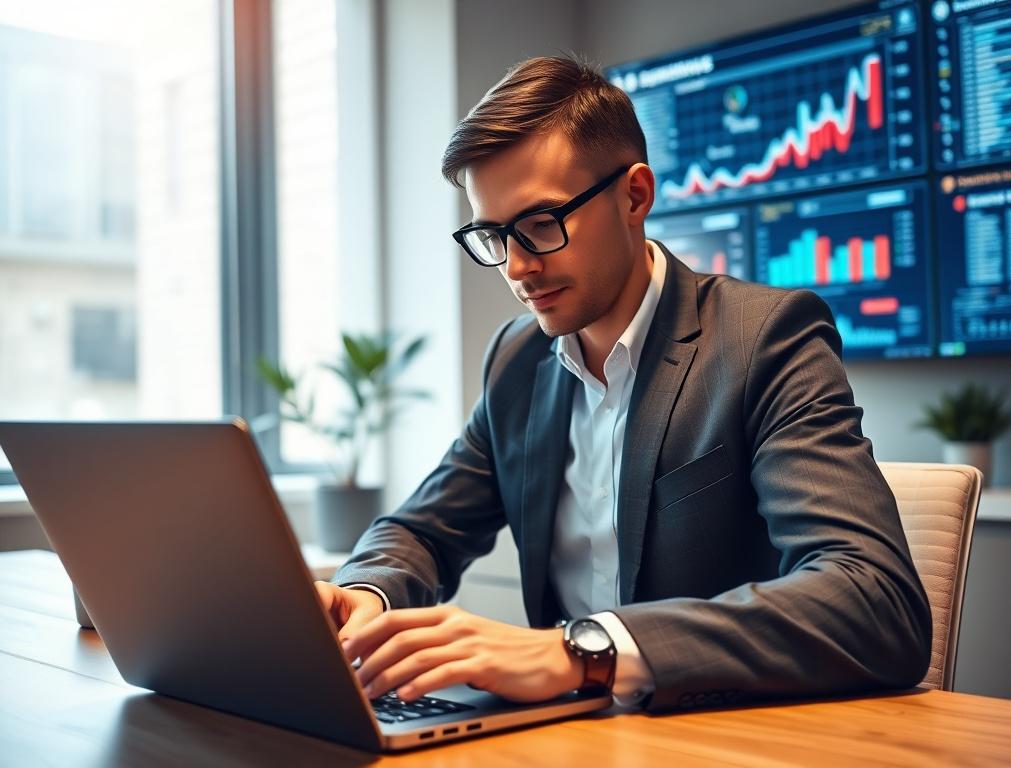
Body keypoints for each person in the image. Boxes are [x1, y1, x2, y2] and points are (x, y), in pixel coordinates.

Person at [314, 55, 932, 713]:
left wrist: (583, 650)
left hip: (721, 738)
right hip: (571, 742)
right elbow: (424, 530)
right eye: (492, 234)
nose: (518, 266)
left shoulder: (765, 340)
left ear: (635, 195)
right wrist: (361, 596)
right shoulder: (518, 360)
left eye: (542, 224)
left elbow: (875, 599)